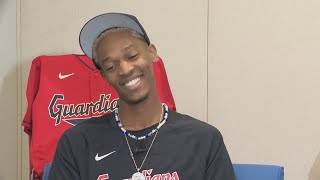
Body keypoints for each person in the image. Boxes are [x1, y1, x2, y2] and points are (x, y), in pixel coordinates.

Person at [49, 12, 236, 180]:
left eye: (132, 56)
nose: (125, 69)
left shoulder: (204, 139)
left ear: (152, 53)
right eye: (111, 66)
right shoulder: (76, 143)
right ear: (104, 76)